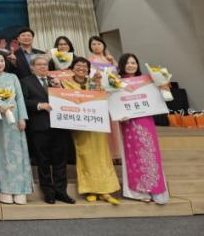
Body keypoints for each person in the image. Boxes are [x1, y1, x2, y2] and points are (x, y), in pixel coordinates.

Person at [61, 57, 121, 205]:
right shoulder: (65, 83)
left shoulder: (93, 82)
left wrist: (102, 83)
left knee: (102, 155)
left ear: (88, 69)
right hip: (80, 127)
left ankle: (105, 190)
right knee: (85, 156)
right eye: (78, 65)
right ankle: (91, 189)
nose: (81, 68)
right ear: (72, 68)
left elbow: (103, 98)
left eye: (84, 66)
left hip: (97, 125)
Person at [21, 55, 76, 205]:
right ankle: (48, 192)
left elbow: (68, 98)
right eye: (39, 64)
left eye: (45, 64)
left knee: (60, 161)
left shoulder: (55, 81)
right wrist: (39, 105)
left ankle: (61, 192)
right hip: (40, 127)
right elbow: (23, 101)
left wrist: (60, 88)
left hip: (59, 126)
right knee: (43, 161)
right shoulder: (26, 81)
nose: (43, 67)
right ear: (32, 67)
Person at [117, 53, 169, 204]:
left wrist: (163, 86)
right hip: (128, 122)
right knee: (134, 155)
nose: (131, 65)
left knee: (150, 152)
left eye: (133, 62)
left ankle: (156, 190)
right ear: (122, 65)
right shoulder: (117, 82)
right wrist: (120, 114)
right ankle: (139, 192)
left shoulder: (147, 81)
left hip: (146, 120)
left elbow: (160, 98)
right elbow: (115, 104)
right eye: (128, 63)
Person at [0, 51, 33, 205]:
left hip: (15, 119)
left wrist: (22, 117)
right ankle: (4, 189)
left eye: (2, 60)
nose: (0, 63)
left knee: (18, 153)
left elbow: (20, 98)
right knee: (1, 153)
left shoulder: (13, 77)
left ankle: (20, 189)